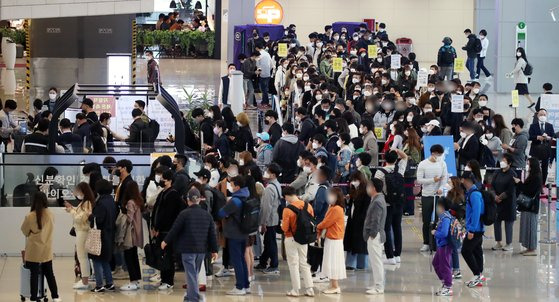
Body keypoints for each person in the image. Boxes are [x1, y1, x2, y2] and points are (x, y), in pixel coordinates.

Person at [161, 188, 219, 302]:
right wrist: (214, 250)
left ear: (188, 200)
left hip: (188, 250)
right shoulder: (207, 215)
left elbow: (174, 230)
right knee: (194, 274)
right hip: (201, 250)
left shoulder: (184, 214)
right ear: (199, 200)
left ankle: (194, 298)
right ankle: (189, 295)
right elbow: (212, 234)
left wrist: (165, 241)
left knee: (191, 275)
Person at [21, 192, 62, 302]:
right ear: (45, 200)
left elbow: (24, 231)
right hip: (46, 249)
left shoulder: (30, 216)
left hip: (33, 250)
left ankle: (33, 298)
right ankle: (55, 296)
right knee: (49, 274)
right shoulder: (51, 214)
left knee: (33, 275)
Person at [217, 176, 251, 295]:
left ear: (237, 186)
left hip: (234, 233)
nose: (230, 187)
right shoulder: (246, 196)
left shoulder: (235, 200)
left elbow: (221, 213)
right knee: (242, 259)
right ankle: (246, 285)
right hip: (244, 232)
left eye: (231, 185)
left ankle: (239, 287)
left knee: (237, 260)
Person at [151, 170, 185, 290]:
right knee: (161, 255)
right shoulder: (162, 193)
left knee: (168, 256)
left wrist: (159, 227)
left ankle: (168, 281)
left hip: (167, 230)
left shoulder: (173, 194)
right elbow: (156, 210)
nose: (161, 180)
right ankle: (163, 278)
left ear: (170, 181)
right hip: (159, 230)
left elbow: (168, 214)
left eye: (163, 179)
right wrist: (153, 226)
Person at [374, 149, 408, 265]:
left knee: (387, 229)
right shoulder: (400, 169)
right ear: (395, 159)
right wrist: (397, 150)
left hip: (386, 204)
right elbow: (405, 157)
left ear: (384, 159)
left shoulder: (380, 172)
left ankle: (390, 256)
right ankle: (397, 254)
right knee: (397, 227)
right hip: (399, 203)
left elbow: (376, 187)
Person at [281, 186, 315, 297]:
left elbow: (285, 228)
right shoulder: (308, 205)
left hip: (291, 238)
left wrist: (282, 225)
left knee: (293, 264)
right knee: (304, 263)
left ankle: (295, 290)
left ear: (286, 196)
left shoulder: (287, 209)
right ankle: (310, 289)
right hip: (304, 238)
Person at [417, 144, 448, 252]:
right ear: (433, 153)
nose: (440, 156)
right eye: (438, 154)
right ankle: (426, 242)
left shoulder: (442, 164)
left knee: (437, 220)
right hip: (426, 195)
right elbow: (419, 180)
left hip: (438, 196)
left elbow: (445, 179)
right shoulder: (423, 164)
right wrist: (432, 180)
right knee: (426, 220)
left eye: (441, 154)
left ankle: (436, 243)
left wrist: (441, 188)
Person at [64, 182, 94, 289]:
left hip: (83, 231)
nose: (76, 193)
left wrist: (71, 210)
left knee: (82, 256)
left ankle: (85, 281)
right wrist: (72, 209)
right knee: (82, 256)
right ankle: (84, 280)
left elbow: (80, 218)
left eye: (78, 191)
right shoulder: (84, 203)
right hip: (80, 231)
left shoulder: (87, 203)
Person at [89, 179, 118, 293]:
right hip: (109, 234)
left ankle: (99, 284)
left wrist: (90, 216)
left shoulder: (101, 202)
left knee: (97, 259)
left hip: (100, 235)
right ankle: (109, 283)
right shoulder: (111, 200)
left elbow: (98, 219)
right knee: (105, 260)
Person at [316, 188, 346, 294]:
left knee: (333, 262)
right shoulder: (332, 207)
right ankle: (332, 284)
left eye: (332, 194)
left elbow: (327, 222)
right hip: (331, 237)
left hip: (335, 239)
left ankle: (335, 286)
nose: (329, 196)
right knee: (330, 261)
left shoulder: (337, 209)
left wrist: (317, 226)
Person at [460, 171, 486, 288]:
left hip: (475, 229)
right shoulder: (471, 193)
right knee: (477, 251)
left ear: (466, 180)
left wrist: (471, 230)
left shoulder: (474, 194)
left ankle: (477, 274)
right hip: (476, 228)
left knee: (466, 251)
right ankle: (479, 275)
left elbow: (476, 213)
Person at [363, 178, 387, 295]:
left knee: (377, 261)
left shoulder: (377, 201)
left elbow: (375, 221)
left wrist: (372, 234)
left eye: (369, 186)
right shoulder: (377, 199)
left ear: (373, 188)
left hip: (375, 235)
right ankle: (377, 283)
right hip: (375, 235)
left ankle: (379, 286)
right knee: (375, 261)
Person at [119, 182, 144, 291]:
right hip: (137, 233)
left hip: (130, 234)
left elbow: (129, 219)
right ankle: (136, 279)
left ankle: (133, 281)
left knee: (129, 257)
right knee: (134, 257)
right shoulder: (138, 201)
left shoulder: (130, 202)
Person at [257, 163, 282, 274]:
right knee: (269, 242)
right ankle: (263, 262)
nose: (265, 173)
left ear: (272, 174)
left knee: (270, 243)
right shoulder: (277, 185)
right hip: (275, 217)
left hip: (270, 220)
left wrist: (263, 223)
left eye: (267, 171)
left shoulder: (269, 189)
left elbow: (266, 208)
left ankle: (274, 265)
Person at [515, 157, 542, 256]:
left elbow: (529, 190)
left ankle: (532, 248)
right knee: (526, 226)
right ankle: (528, 247)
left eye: (528, 163)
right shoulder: (532, 175)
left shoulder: (536, 177)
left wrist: (519, 183)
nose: (527, 165)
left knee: (531, 226)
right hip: (527, 206)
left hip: (531, 205)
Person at [344, 171, 370, 271]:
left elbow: (365, 208)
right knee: (351, 241)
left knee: (360, 242)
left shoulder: (366, 192)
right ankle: (351, 263)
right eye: (352, 180)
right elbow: (350, 204)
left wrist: (362, 220)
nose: (353, 182)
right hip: (352, 219)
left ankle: (361, 264)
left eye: (355, 180)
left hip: (361, 220)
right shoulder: (353, 190)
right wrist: (348, 199)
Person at [491, 153, 517, 252]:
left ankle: (509, 243)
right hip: (497, 201)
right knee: (497, 222)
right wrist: (495, 196)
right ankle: (498, 242)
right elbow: (492, 185)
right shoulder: (497, 172)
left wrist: (500, 197)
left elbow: (511, 190)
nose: (502, 162)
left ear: (509, 163)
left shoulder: (512, 174)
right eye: (502, 160)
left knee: (508, 223)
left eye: (505, 161)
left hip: (508, 201)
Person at [431, 198, 454, 296]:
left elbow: (444, 233)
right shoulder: (442, 217)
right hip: (441, 245)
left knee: (445, 265)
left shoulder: (446, 218)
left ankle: (448, 286)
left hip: (445, 245)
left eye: (437, 206)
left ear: (441, 207)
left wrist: (435, 232)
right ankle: (444, 282)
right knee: (436, 263)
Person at [528, 109, 554, 184]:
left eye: (544, 115)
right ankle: (534, 184)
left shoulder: (550, 126)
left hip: (546, 149)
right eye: (541, 115)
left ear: (546, 115)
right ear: (537, 115)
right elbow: (529, 137)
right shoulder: (533, 126)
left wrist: (548, 138)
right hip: (536, 149)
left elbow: (552, 137)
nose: (542, 116)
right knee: (534, 168)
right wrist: (537, 137)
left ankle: (542, 185)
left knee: (545, 168)